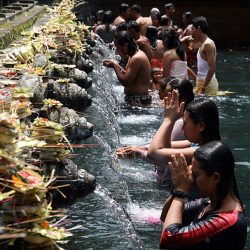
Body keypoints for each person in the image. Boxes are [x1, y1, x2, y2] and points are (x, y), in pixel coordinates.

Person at [160, 141, 247, 250]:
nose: (192, 179)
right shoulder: (208, 203)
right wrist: (178, 189)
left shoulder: (228, 220)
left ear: (216, 178)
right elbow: (166, 216)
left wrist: (180, 192)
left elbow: (168, 238)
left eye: (195, 174)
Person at [147, 94, 221, 166]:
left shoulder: (203, 154)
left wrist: (168, 119)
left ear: (201, 126)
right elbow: (165, 146)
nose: (182, 128)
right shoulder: (200, 144)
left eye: (185, 123)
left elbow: (153, 154)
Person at [103, 31, 152, 106]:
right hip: (135, 99)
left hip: (139, 101)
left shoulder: (137, 57)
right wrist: (117, 65)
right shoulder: (132, 56)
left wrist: (114, 65)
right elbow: (127, 75)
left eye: (117, 47)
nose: (116, 50)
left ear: (125, 45)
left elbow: (126, 82)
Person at [192, 16, 219, 95]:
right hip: (201, 83)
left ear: (199, 28)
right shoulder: (202, 43)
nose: (192, 31)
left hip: (207, 85)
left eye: (193, 29)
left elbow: (212, 67)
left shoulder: (208, 44)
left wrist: (203, 88)